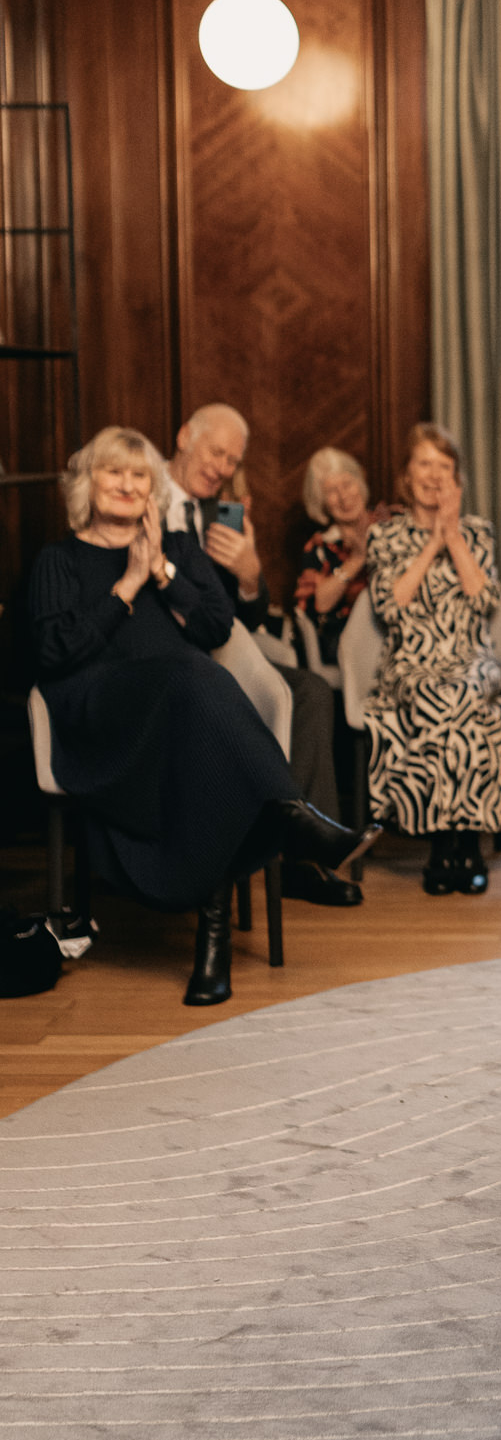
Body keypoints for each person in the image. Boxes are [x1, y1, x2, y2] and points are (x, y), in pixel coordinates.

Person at [28, 428, 371, 1006]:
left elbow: (217, 626)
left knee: (200, 734)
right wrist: (129, 585)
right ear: (88, 484)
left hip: (177, 717)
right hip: (100, 718)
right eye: (115, 473)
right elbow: (56, 653)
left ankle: (213, 947)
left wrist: (160, 569)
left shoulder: (178, 551)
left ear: (154, 492)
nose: (128, 485)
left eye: (141, 477)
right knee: (193, 675)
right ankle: (292, 815)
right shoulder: (58, 559)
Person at [166, 404, 361, 910]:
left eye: (232, 461)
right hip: (178, 658)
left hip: (226, 648)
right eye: (215, 453)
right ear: (185, 436)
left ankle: (304, 862)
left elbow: (246, 617)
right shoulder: (144, 498)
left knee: (311, 691)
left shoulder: (219, 512)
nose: (221, 468)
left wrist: (250, 575)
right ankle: (285, 839)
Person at [364, 424, 501, 896]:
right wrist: (432, 543)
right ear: (406, 476)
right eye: (424, 464)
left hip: (471, 657)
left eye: (444, 467)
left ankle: (455, 843)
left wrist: (453, 536)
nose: (434, 476)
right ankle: (456, 843)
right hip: (410, 661)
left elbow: (485, 602)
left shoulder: (478, 533)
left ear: (457, 479)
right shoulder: (385, 536)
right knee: (440, 695)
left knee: (459, 690)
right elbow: (390, 606)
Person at [294, 448, 391, 663]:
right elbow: (316, 606)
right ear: (322, 502)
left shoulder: (392, 523)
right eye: (332, 491)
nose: (343, 496)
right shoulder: (320, 547)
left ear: (360, 483)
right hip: (345, 640)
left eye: (347, 484)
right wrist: (357, 559)